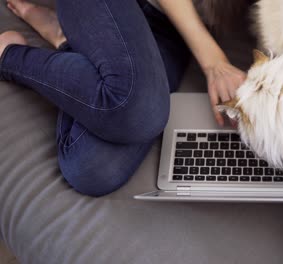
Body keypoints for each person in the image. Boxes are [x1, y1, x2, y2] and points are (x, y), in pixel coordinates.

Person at [0, 0, 246, 197]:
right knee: (138, 109)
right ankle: (9, 57)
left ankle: (67, 40)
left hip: (171, 29)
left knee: (90, 170)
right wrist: (215, 64)